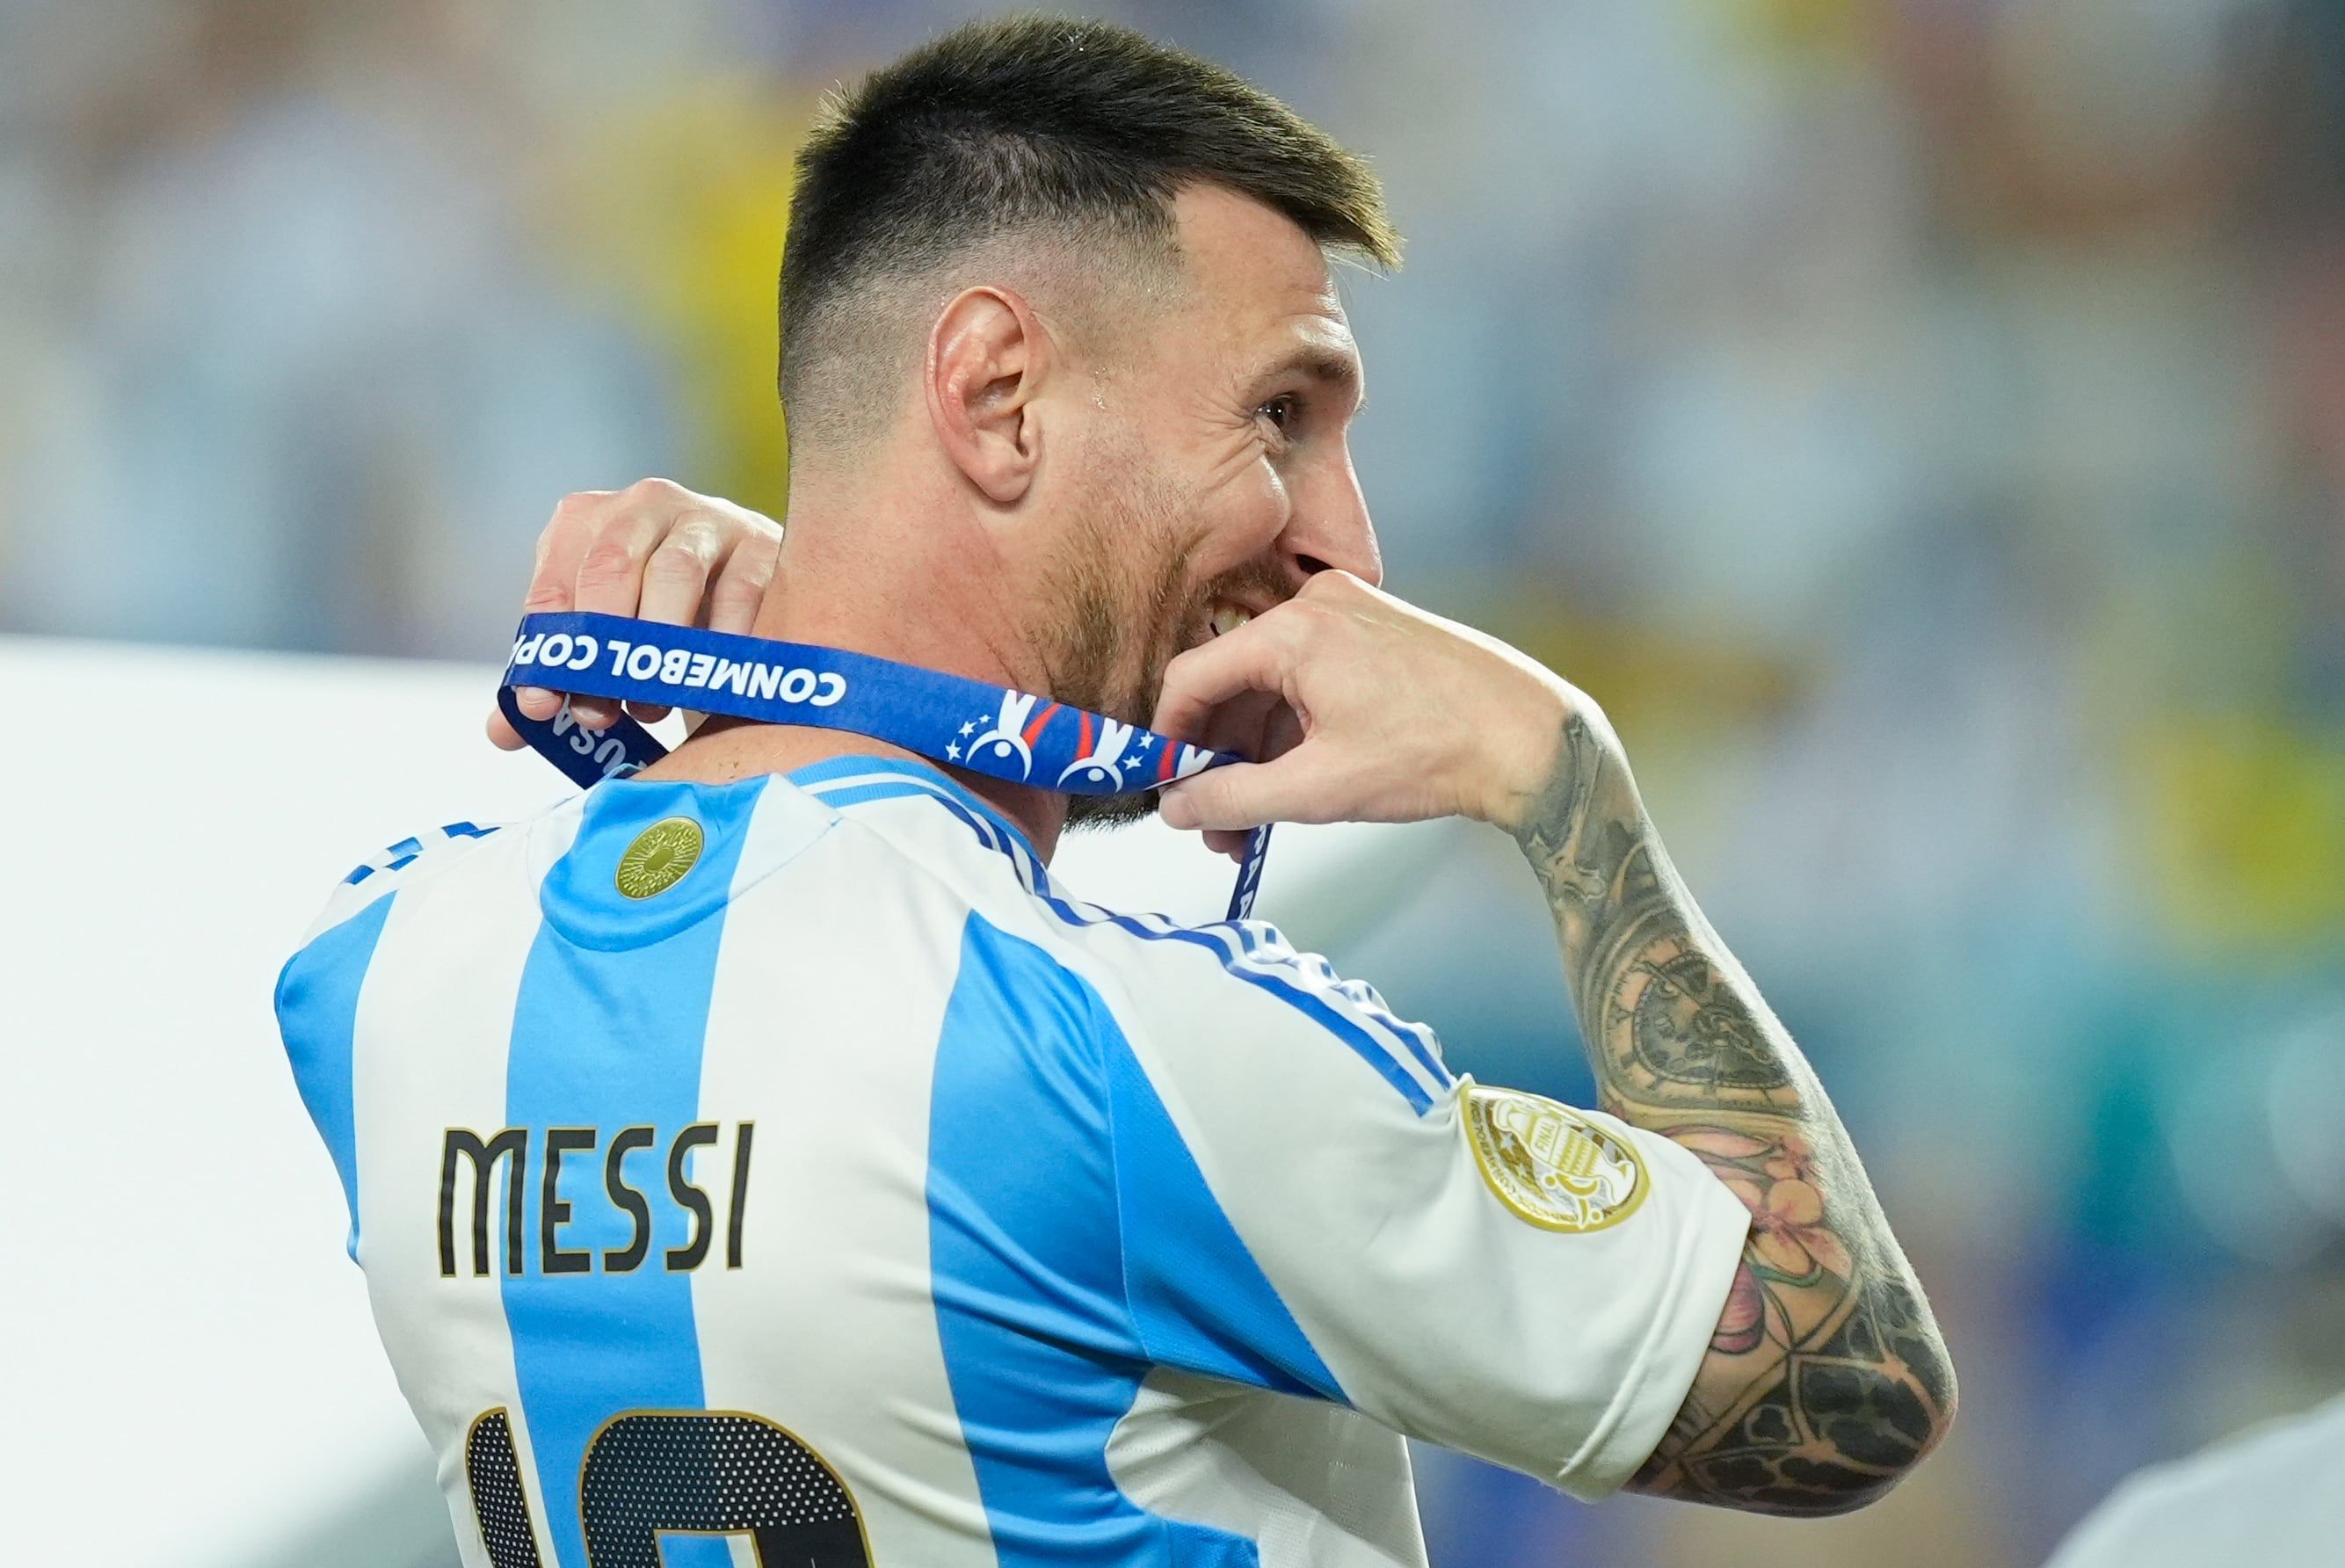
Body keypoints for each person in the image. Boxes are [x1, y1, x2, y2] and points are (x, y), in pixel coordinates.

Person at [277, 18, 1956, 1566]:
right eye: (1281, 415)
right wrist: (1565, 780)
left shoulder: (386, 975)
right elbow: (1849, 1377)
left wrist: (810, 635)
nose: (1349, 546)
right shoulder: (1133, 1053)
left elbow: (766, 973)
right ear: (998, 394)